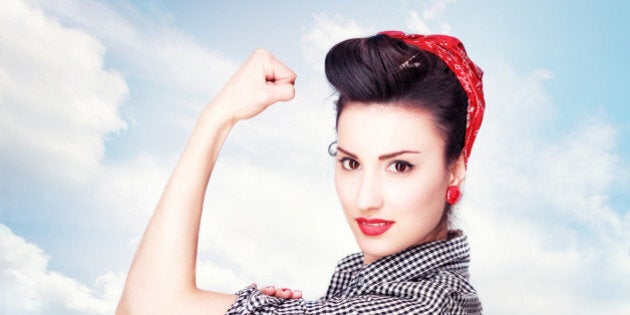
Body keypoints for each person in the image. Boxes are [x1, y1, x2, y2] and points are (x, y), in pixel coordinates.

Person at [117, 30, 485, 314]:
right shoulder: (380, 286)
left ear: (454, 170)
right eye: (351, 162)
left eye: (399, 166)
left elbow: (147, 306)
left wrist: (217, 118)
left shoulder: (417, 306)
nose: (365, 198)